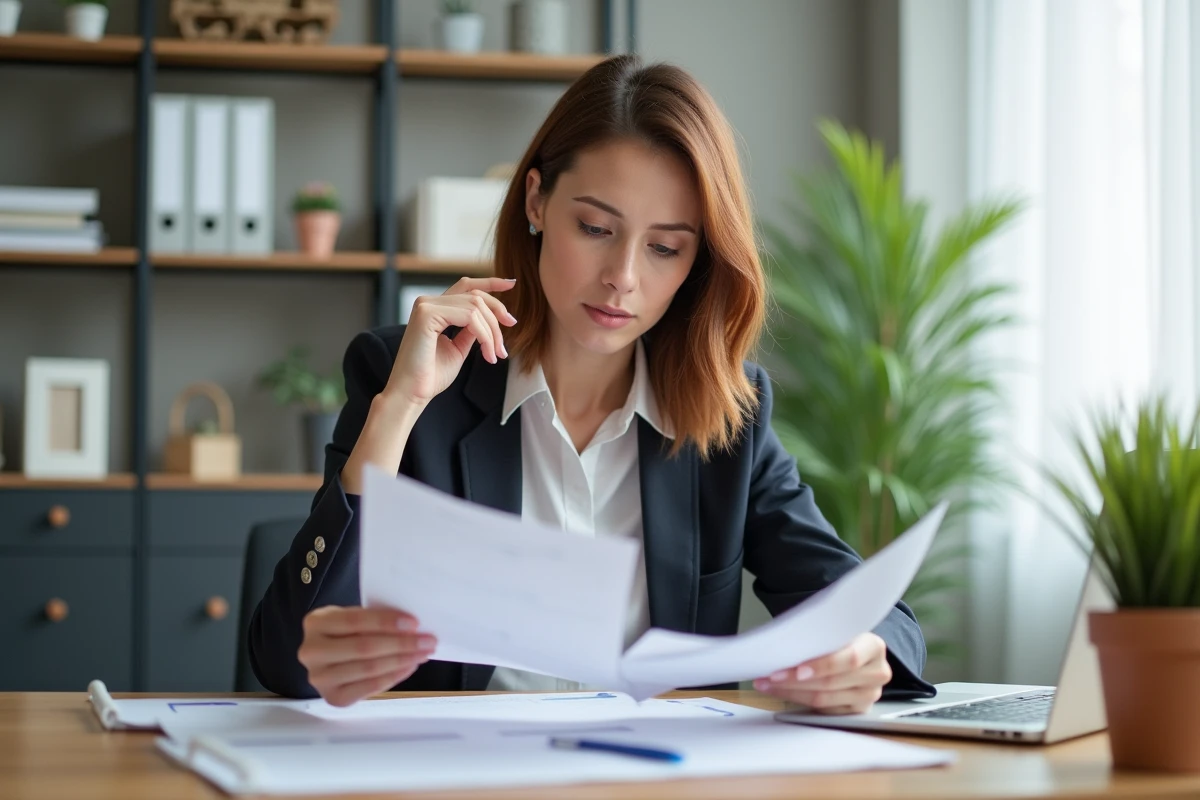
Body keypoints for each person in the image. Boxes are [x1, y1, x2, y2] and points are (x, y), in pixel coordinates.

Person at [248, 53, 935, 711]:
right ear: (538, 201)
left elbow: (873, 615)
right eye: (596, 227)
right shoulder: (406, 375)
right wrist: (399, 408)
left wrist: (863, 653)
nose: (624, 277)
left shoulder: (729, 415)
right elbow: (284, 657)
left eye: (665, 247)